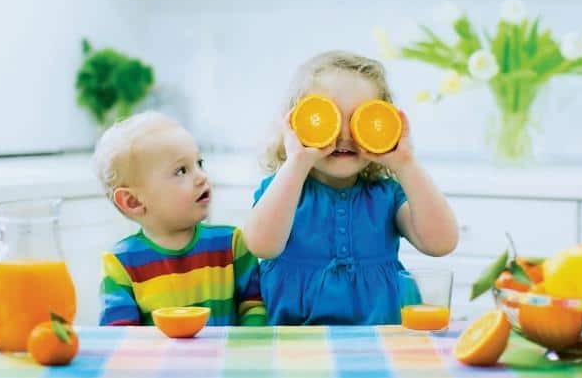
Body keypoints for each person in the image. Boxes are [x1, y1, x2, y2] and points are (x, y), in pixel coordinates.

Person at [243, 51, 458, 325]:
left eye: (361, 118)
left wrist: (406, 164)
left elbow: (442, 243)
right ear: (296, 122)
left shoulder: (387, 195)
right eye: (327, 116)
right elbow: (261, 245)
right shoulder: (284, 190)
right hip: (296, 344)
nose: (344, 133)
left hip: (384, 339)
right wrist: (297, 161)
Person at [94, 111, 266, 326]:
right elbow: (121, 337)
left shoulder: (233, 244)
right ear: (133, 202)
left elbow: (254, 306)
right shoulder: (120, 265)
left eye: (199, 163)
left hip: (228, 359)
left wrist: (244, 349)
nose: (202, 177)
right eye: (181, 171)